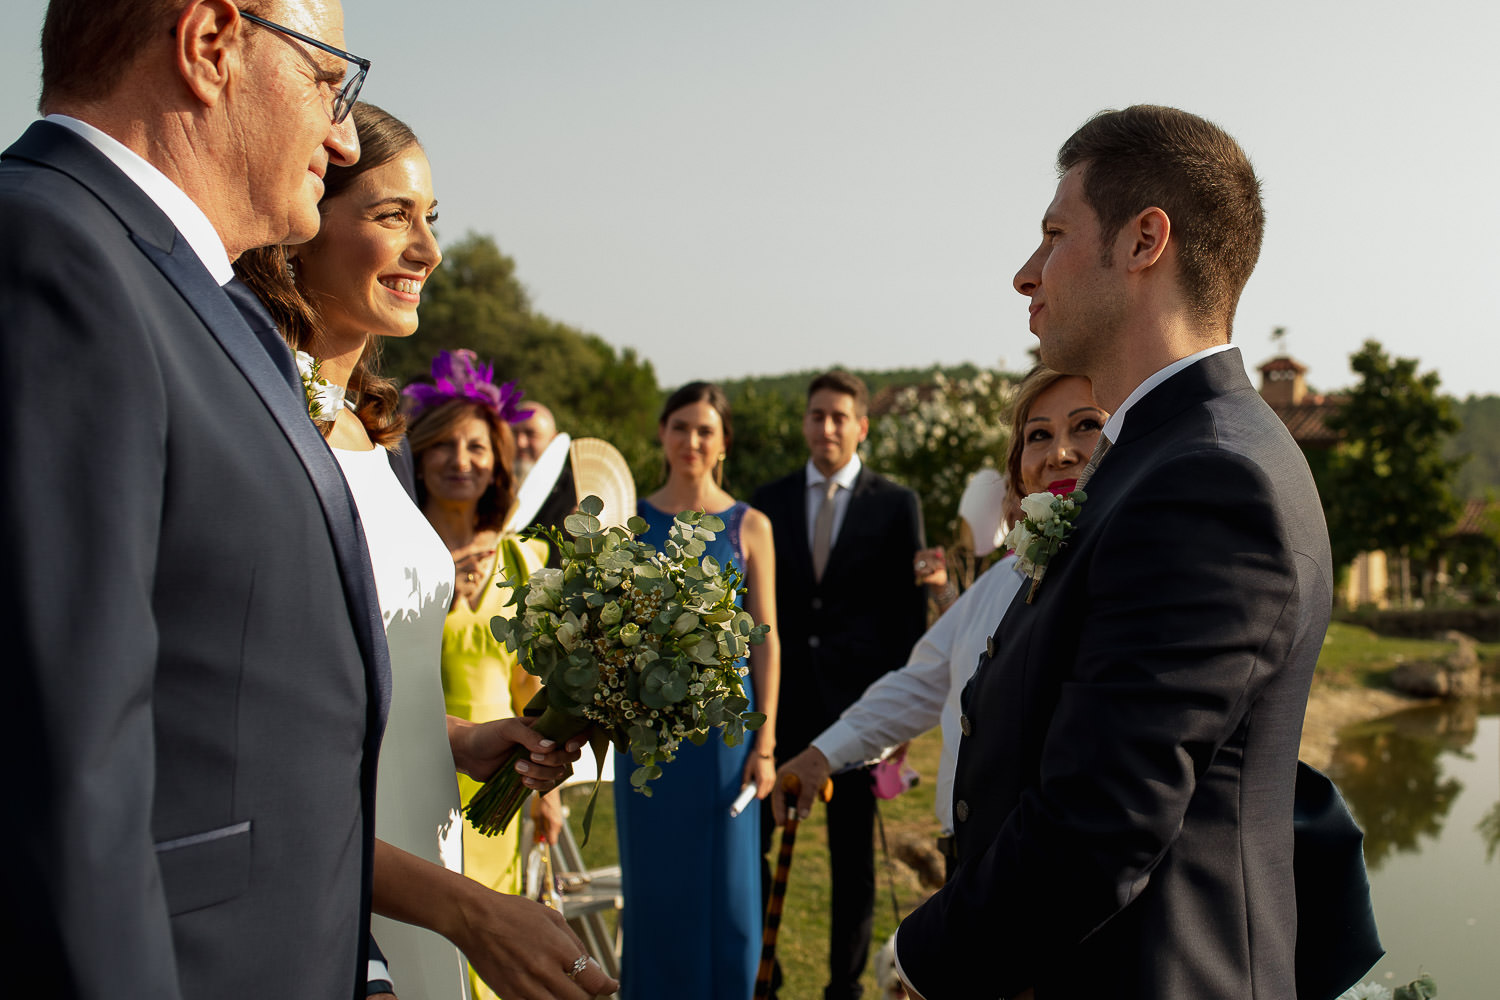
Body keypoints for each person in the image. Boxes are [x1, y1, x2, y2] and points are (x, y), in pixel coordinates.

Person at [895, 106, 1337, 999]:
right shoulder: (1159, 459)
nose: (1026, 274)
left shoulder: (1211, 479)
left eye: (1054, 235)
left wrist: (922, 957)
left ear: (1144, 241)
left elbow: (1103, 819)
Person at [0, 2, 389, 995]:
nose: (342, 137)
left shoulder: (213, 303)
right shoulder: (48, 252)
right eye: (326, 81)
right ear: (211, 45)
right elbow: (63, 768)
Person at [235, 103, 614, 1000]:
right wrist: (464, 910)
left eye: (431, 219)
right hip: (334, 867)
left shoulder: (381, 435)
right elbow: (257, 738)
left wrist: (461, 738)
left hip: (428, 825)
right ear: (300, 224)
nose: (429, 251)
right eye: (391, 215)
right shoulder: (259, 425)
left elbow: (366, 683)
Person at [775, 366, 1106, 881]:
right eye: (1038, 434)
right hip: (969, 866)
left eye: (1086, 425)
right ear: (1017, 471)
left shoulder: (1131, 577)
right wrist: (822, 754)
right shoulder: (999, 583)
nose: (1060, 452)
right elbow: (921, 684)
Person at [750, 370, 927, 1000]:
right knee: (757, 847)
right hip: (778, 706)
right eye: (816, 415)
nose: (826, 427)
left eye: (839, 416)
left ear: (861, 426)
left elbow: (909, 620)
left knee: (852, 862)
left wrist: (897, 723)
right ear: (804, 422)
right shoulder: (763, 502)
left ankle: (844, 985)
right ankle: (762, 974)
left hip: (858, 711)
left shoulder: (896, 503)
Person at [404, 350, 569, 1000]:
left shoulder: (526, 559)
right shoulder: (395, 552)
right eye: (441, 443)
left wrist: (546, 785)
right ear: (417, 455)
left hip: (495, 789)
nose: (459, 459)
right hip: (412, 771)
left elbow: (533, 687)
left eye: (475, 446)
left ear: (499, 460)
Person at [613, 381, 781, 1000]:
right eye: (680, 426)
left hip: (727, 744)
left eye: (705, 429)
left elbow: (766, 640)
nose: (691, 440)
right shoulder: (629, 524)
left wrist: (764, 746)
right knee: (656, 898)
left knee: (731, 902)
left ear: (723, 443)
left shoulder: (751, 525)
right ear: (662, 433)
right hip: (647, 746)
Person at [513, 401, 559, 482]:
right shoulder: (489, 485)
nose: (520, 443)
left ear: (553, 440)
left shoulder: (576, 490)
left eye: (531, 434)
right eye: (514, 433)